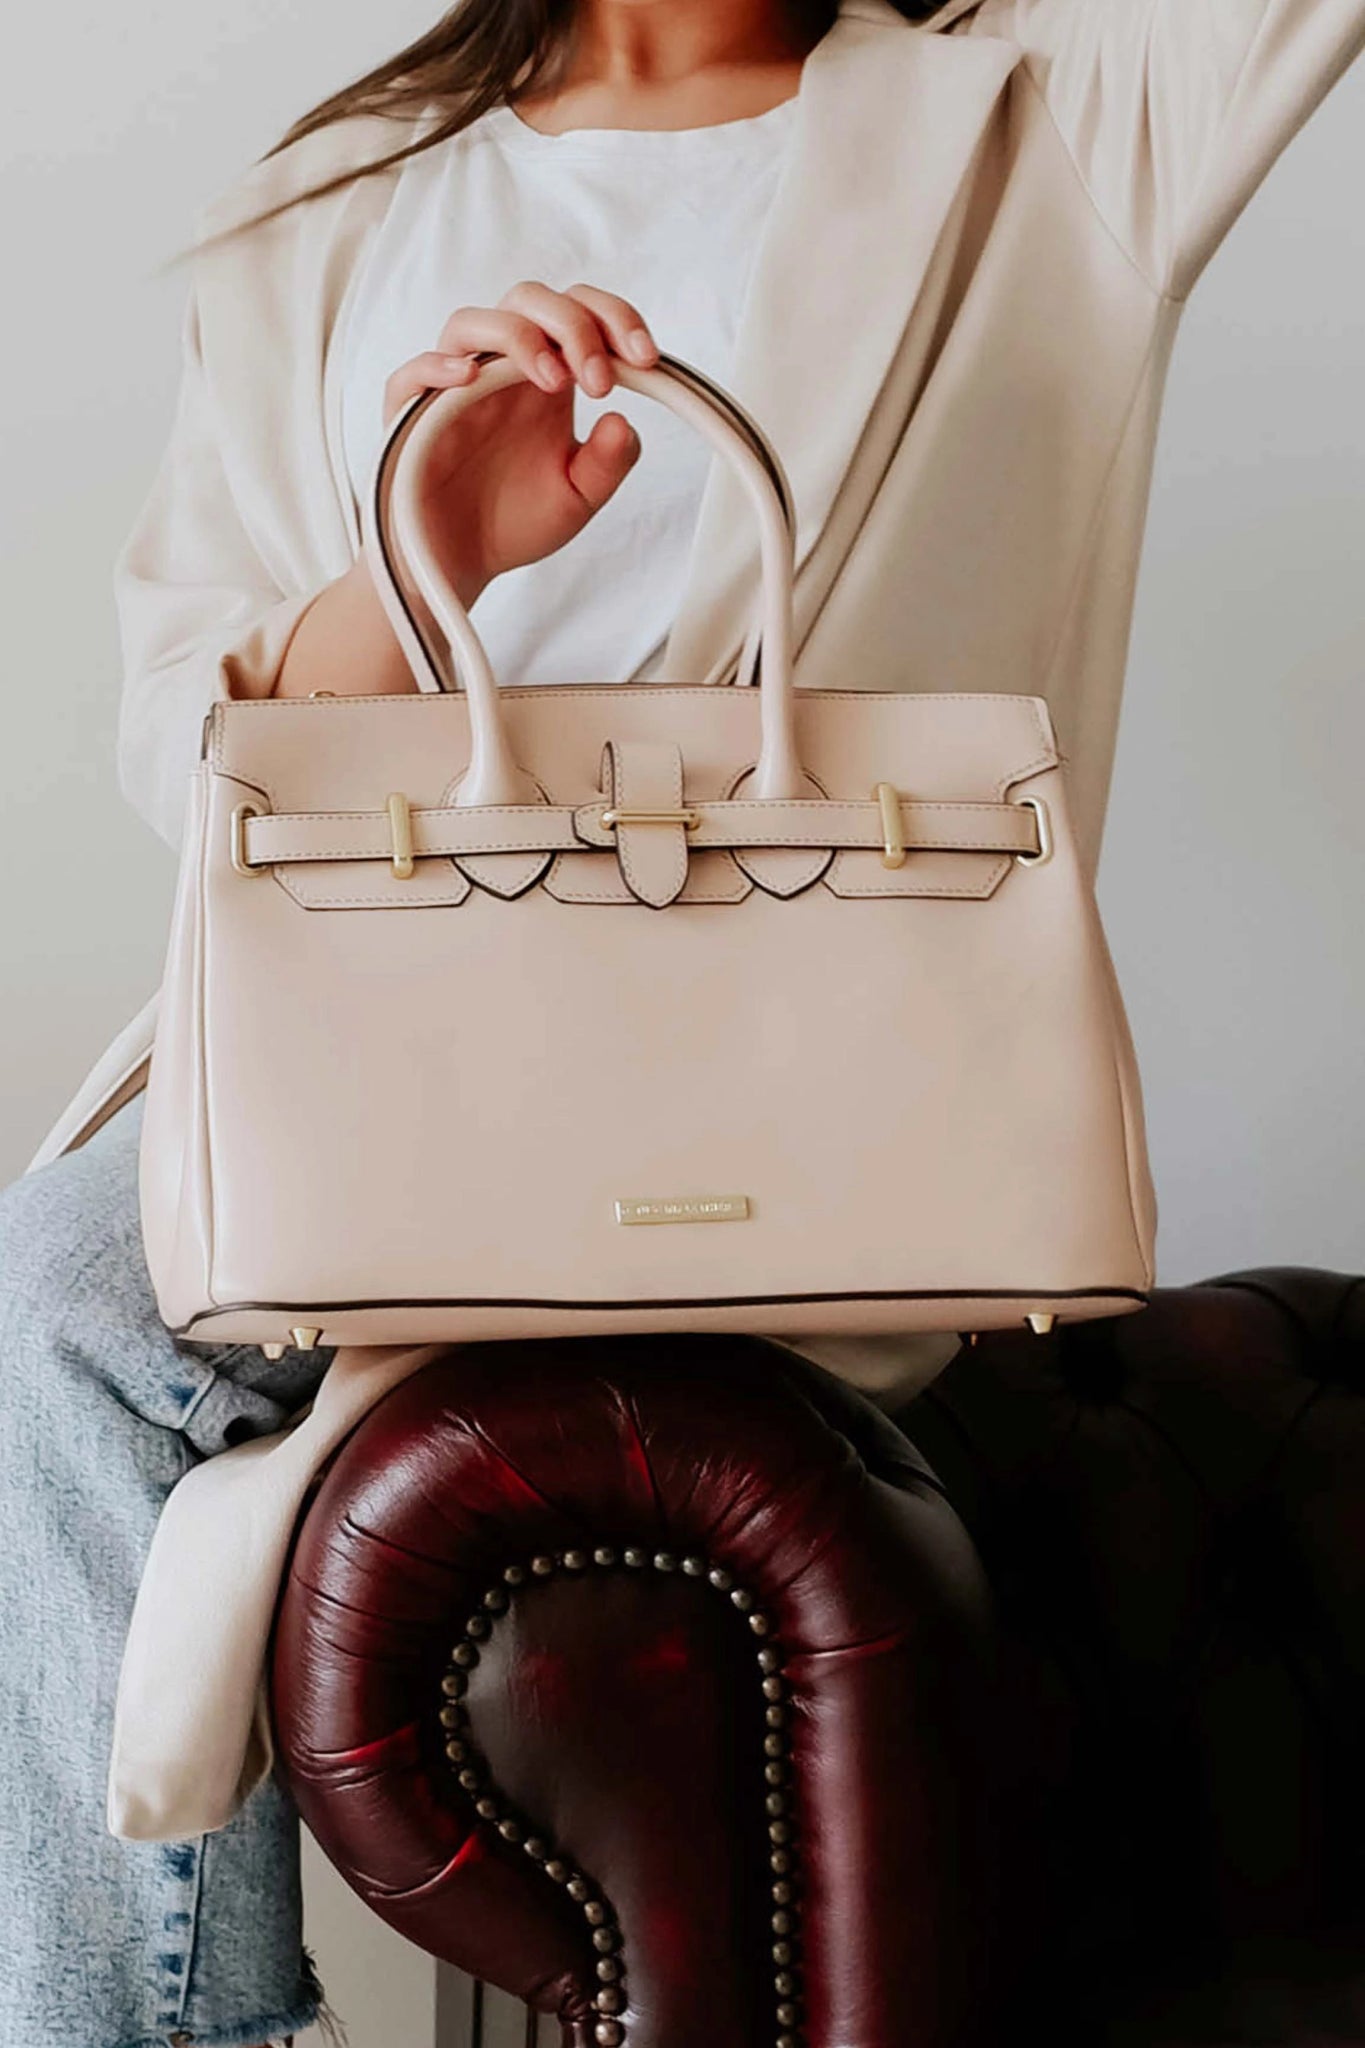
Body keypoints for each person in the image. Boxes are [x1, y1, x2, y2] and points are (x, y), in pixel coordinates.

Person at [2, 0, 1362, 2042]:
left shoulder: (1049, 116)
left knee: (74, 1299)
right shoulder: (329, 205)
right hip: (421, 1051)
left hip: (809, 1082)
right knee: (69, 1289)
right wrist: (422, 553)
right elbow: (181, 735)